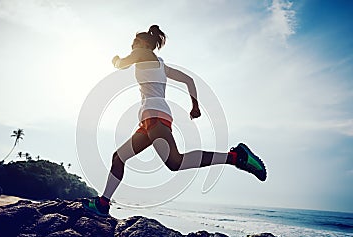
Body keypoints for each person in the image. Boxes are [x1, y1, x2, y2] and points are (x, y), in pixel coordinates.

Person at [82, 25, 266, 216]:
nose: (132, 47)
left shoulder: (141, 53)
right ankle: (103, 203)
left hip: (155, 116)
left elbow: (121, 64)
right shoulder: (161, 65)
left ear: (143, 44)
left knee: (175, 162)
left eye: (134, 43)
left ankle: (236, 157)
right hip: (149, 119)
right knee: (119, 157)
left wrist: (116, 60)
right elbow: (189, 80)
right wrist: (194, 106)